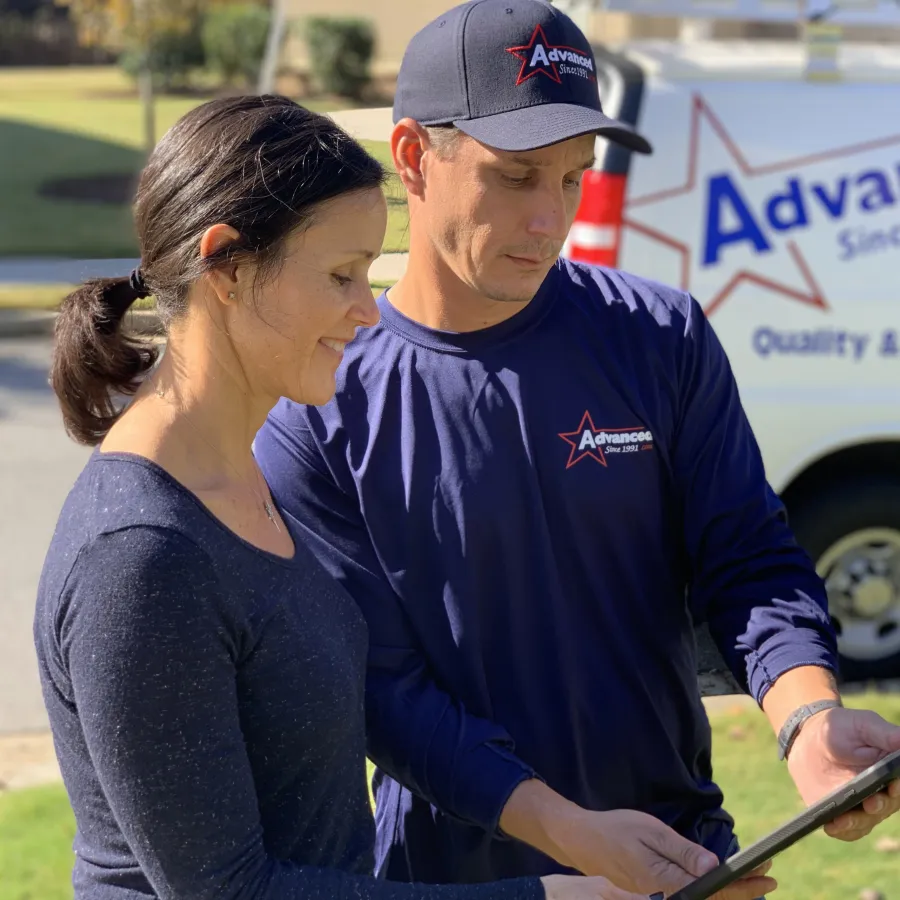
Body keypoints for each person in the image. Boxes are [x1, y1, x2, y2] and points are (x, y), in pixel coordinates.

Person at [252, 1, 900, 898]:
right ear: (412, 158)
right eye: (515, 176)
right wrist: (574, 839)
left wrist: (809, 720)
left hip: (684, 862)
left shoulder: (659, 334)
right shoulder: (320, 404)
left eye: (573, 178)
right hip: (460, 885)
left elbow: (749, 560)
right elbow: (385, 697)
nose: (547, 220)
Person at [32, 94, 652, 900]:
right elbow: (231, 892)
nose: (367, 310)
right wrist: (545, 896)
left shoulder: (238, 476)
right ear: (226, 267)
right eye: (339, 275)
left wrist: (568, 830)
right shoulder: (144, 557)